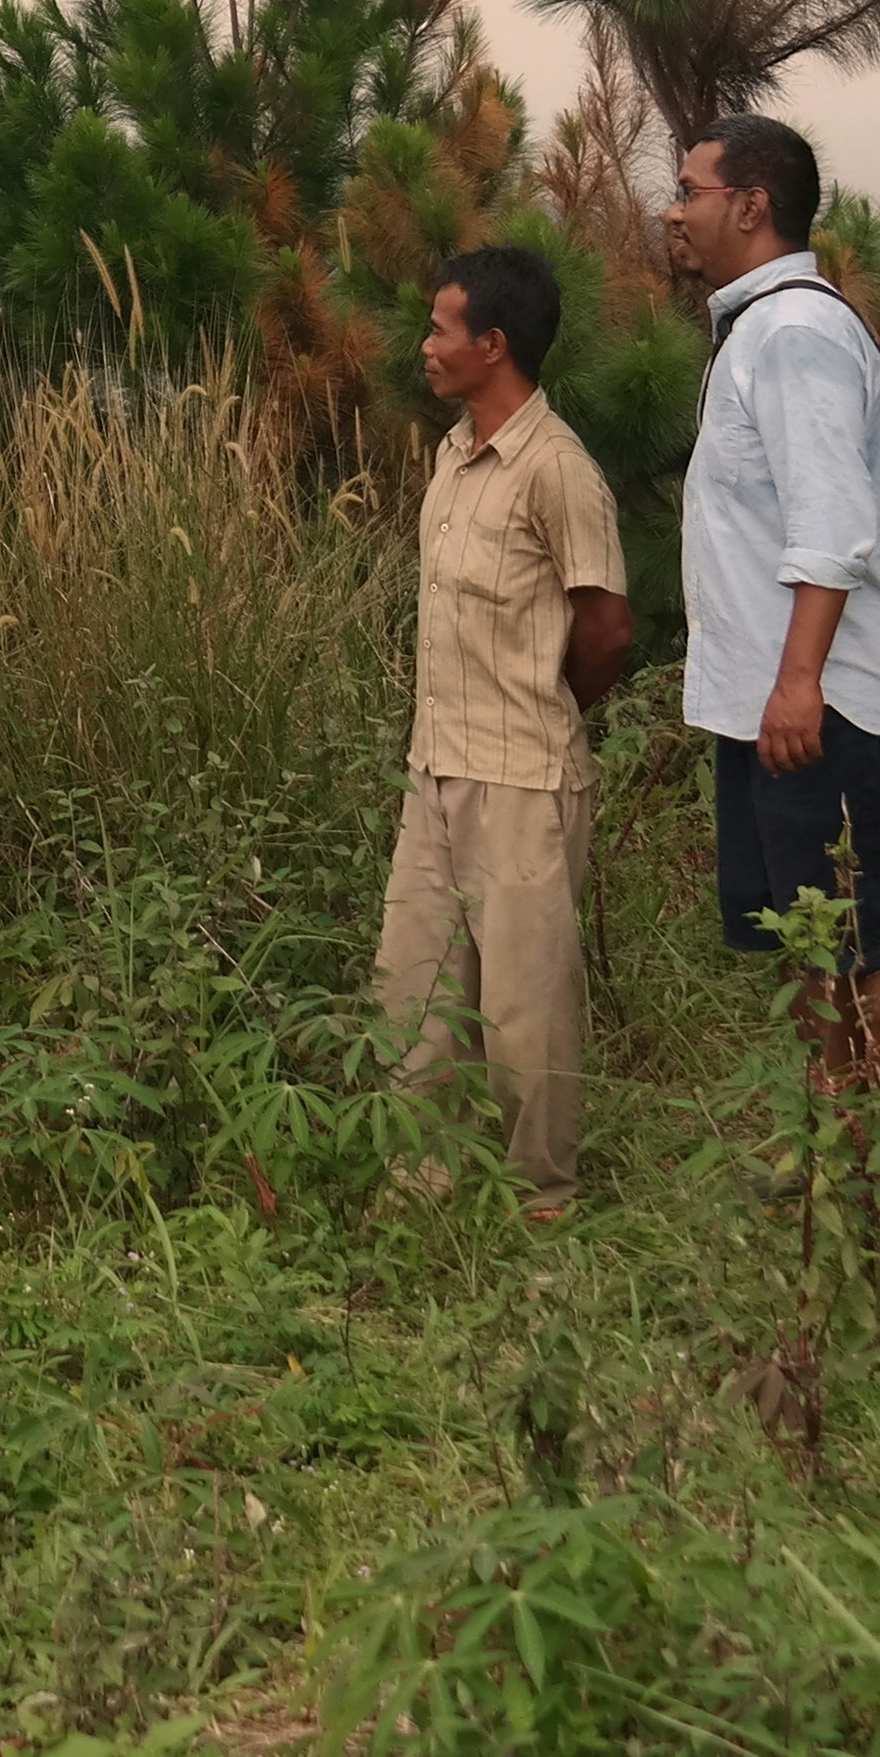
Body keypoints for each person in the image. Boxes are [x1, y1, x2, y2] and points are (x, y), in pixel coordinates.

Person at [375, 241, 632, 1213]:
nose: (426, 346)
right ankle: (420, 1182)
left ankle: (543, 1196)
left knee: (526, 1010)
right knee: (414, 989)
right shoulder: (453, 460)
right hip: (434, 772)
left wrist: (544, 706)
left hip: (524, 776)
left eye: (441, 330)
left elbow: (605, 627)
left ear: (492, 343)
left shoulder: (556, 471)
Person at [663, 112, 880, 1001]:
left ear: (750, 206)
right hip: (786, 714)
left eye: (688, 191)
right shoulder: (758, 332)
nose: (672, 212)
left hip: (827, 714)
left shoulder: (794, 336)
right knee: (814, 957)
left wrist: (796, 685)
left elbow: (830, 527)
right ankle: (837, 1136)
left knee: (865, 957)